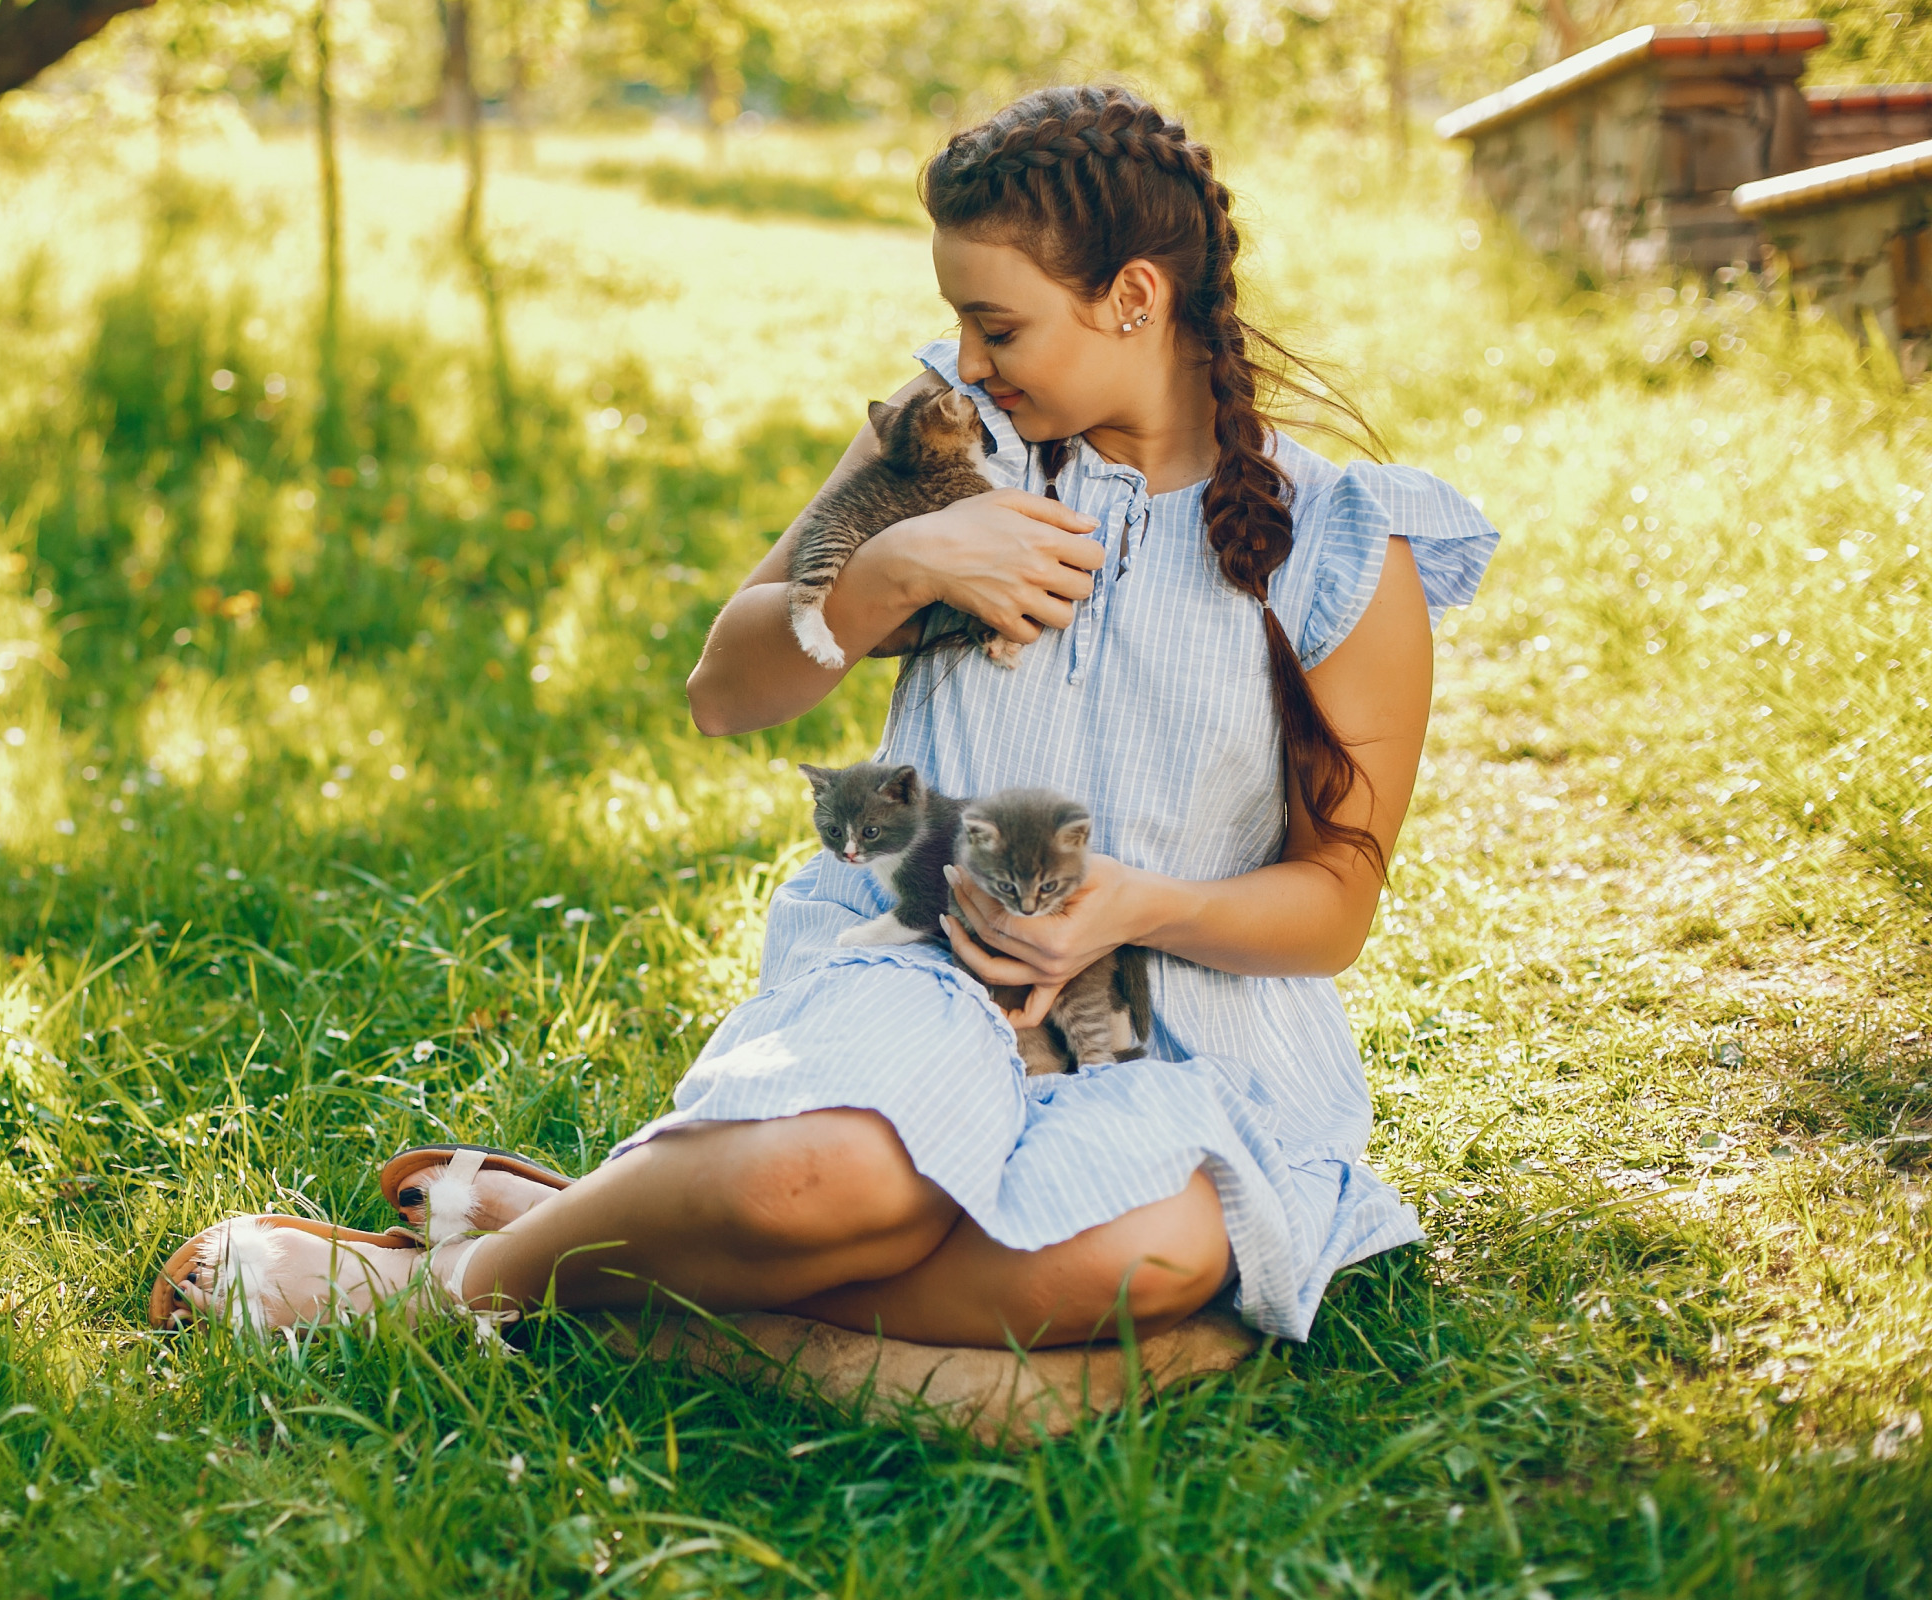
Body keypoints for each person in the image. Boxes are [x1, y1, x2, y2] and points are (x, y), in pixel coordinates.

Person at [150, 84, 1498, 1349]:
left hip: (1188, 1031)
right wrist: (895, 574)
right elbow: (726, 687)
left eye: (1002, 326)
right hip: (920, 966)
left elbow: (1335, 902)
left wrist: (1131, 907)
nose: (970, 357)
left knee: (1130, 1263)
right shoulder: (942, 440)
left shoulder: (1339, 547)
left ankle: (603, 1247)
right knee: (823, 1183)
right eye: (961, 324)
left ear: (1134, 298)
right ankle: (440, 1292)